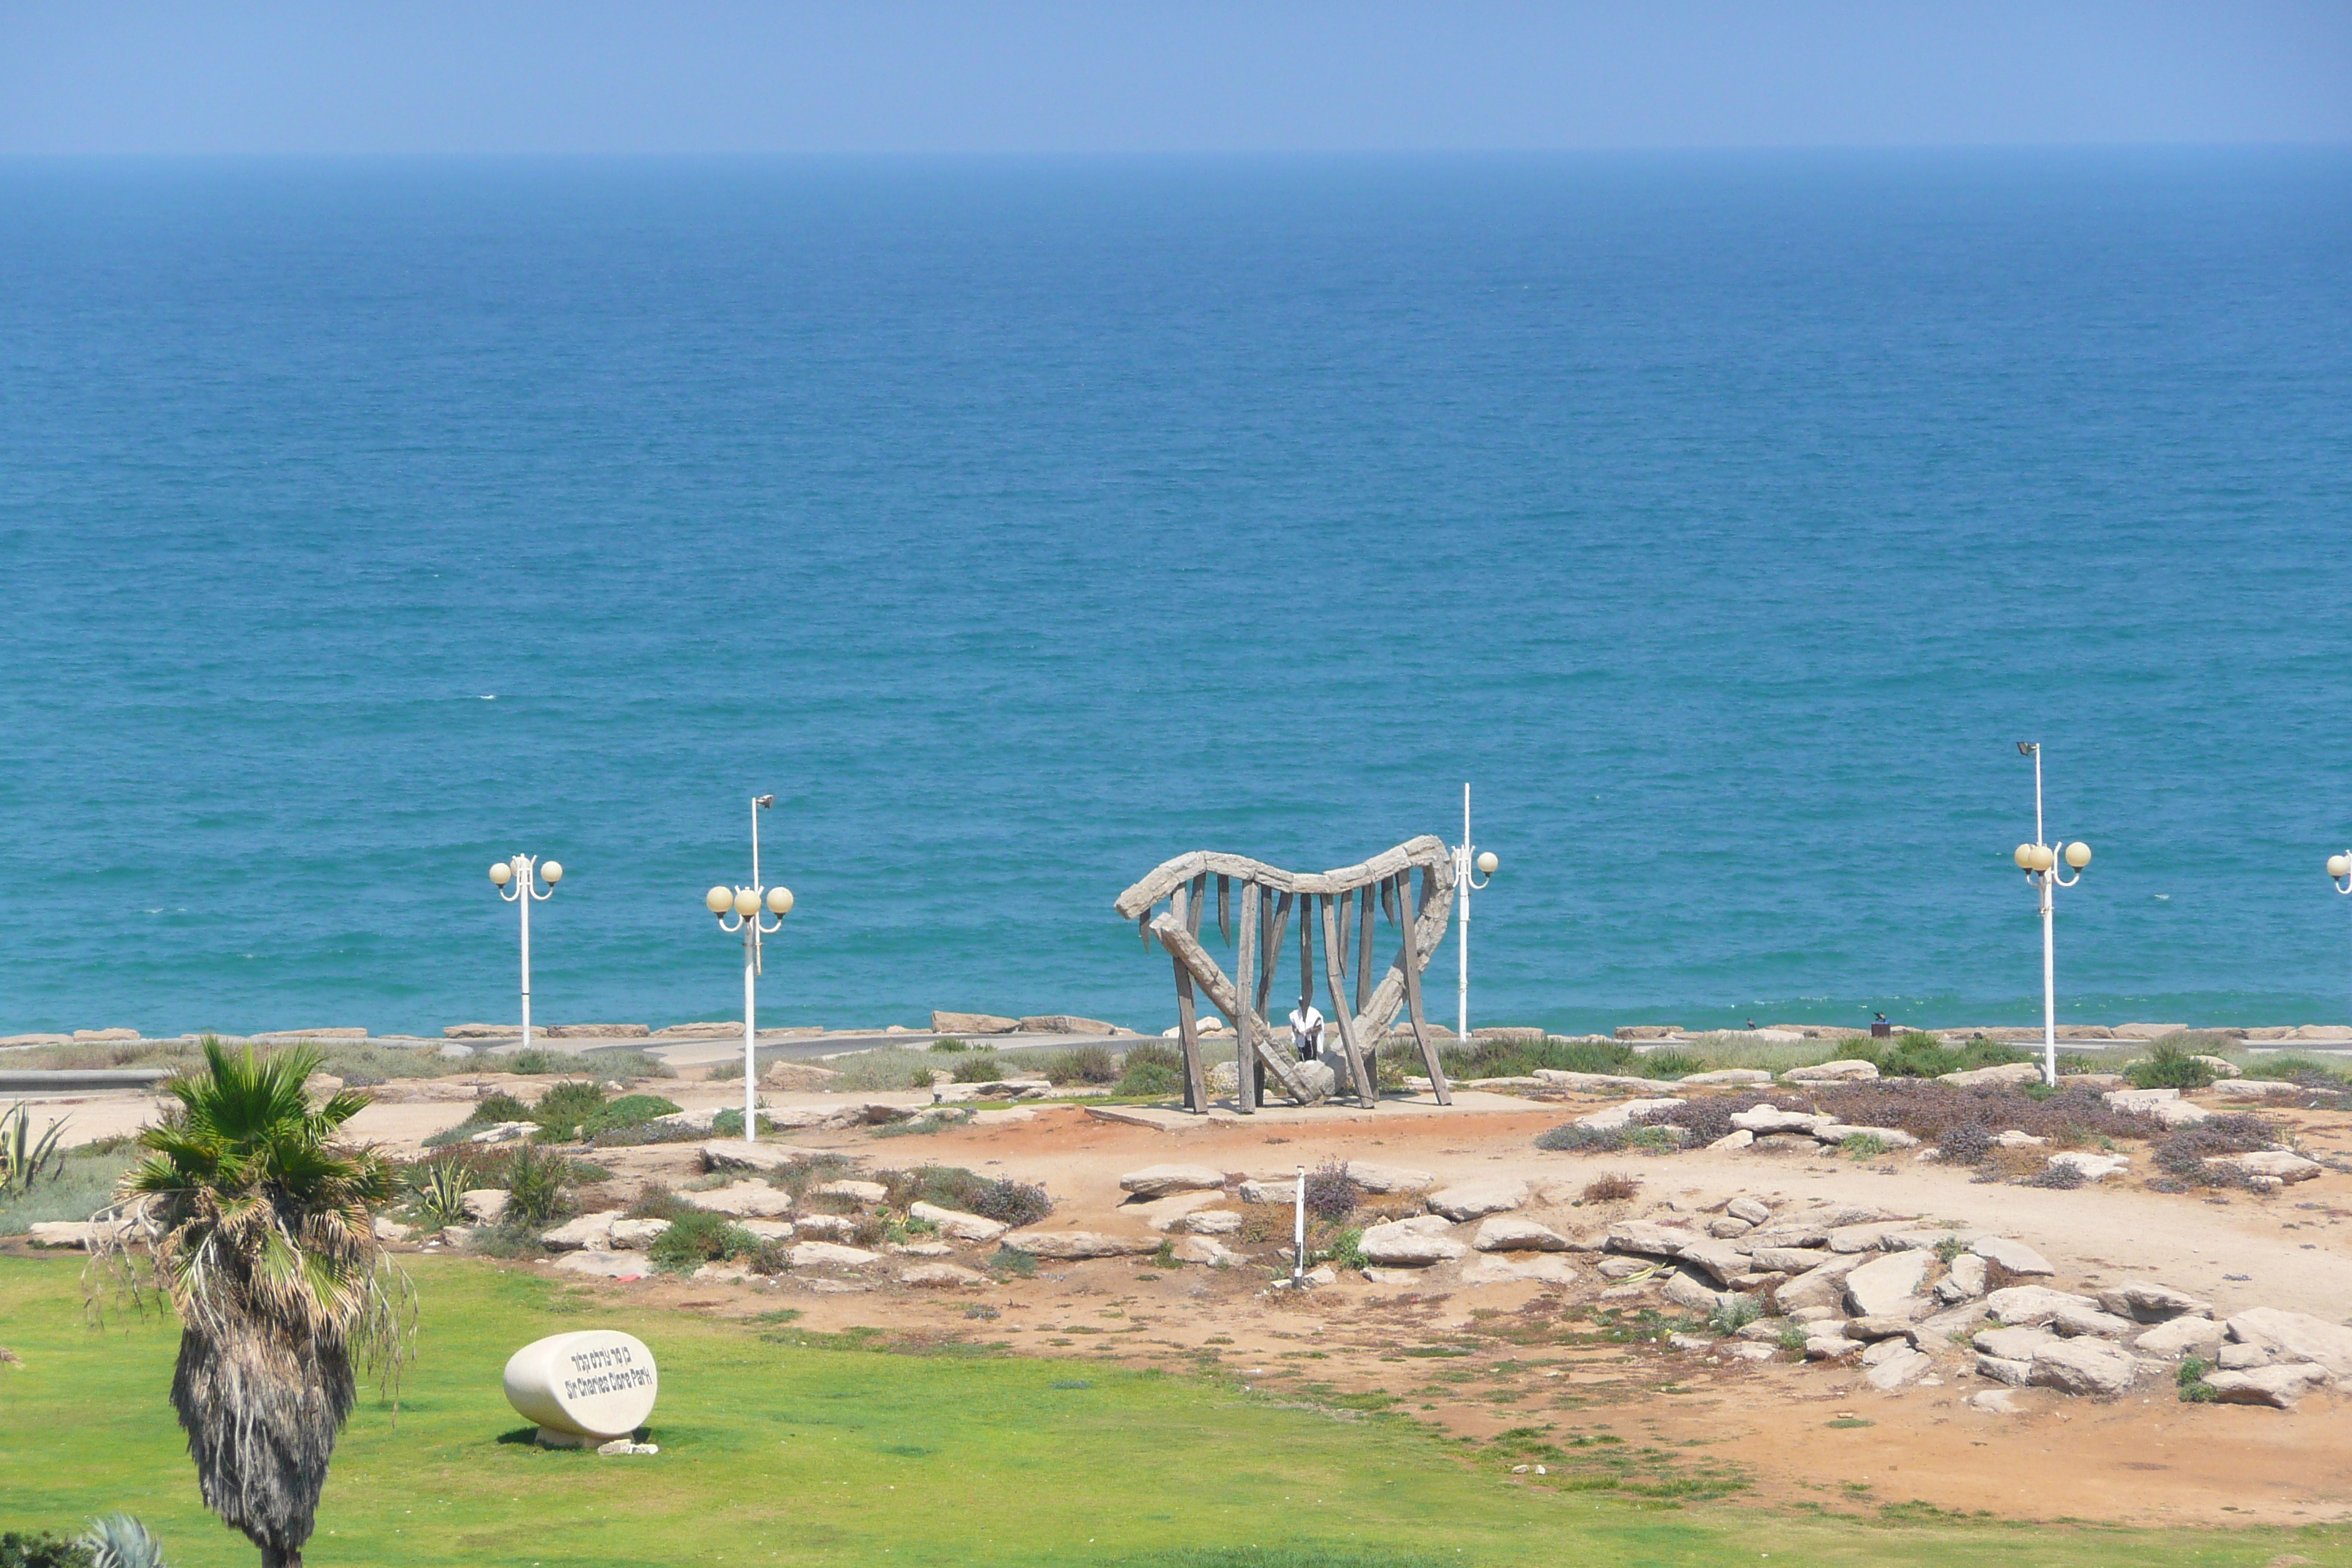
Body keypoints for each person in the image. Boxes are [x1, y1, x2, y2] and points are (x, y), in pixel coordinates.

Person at [1289, 996, 1324, 1063]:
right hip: (1301, 1040)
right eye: (1300, 1003)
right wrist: (1298, 1031)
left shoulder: (1314, 1013)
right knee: (1302, 1058)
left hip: (1312, 1039)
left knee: (1312, 1059)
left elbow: (1319, 1026)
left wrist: (1310, 1031)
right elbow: (1293, 1026)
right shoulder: (1296, 1014)